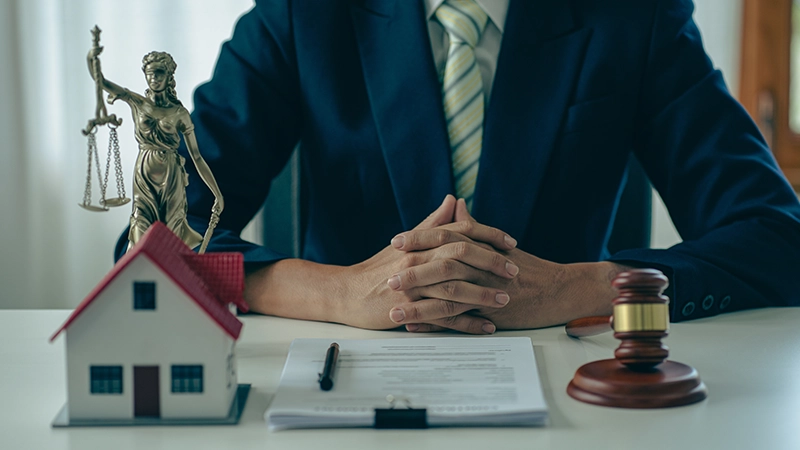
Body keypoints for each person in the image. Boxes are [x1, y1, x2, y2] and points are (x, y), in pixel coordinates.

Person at [116, 0, 800, 334]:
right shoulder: (302, 12)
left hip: (573, 394)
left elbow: (778, 238)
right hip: (336, 392)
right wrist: (334, 293)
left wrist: (587, 289)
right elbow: (150, 243)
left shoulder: (633, 14)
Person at [89, 48, 224, 250]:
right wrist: (93, 61)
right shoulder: (137, 103)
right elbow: (103, 82)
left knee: (173, 232)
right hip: (144, 173)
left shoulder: (179, 113)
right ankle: (138, 271)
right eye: (150, 73)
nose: (154, 78)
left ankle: (176, 275)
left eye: (159, 72)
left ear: (169, 75)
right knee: (141, 225)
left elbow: (196, 156)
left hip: (171, 176)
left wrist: (217, 193)